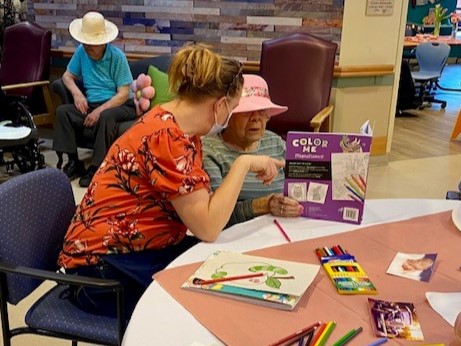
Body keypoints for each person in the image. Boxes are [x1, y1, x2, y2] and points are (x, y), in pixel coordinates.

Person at [57, 44, 284, 319]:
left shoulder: (179, 126)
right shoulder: (166, 137)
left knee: (234, 270)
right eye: (233, 108)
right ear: (221, 104)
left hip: (138, 251)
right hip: (101, 272)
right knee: (220, 303)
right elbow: (208, 227)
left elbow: (202, 208)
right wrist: (243, 163)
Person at [202, 74, 303, 228]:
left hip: (284, 229)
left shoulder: (275, 142)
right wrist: (265, 205)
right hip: (235, 238)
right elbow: (215, 217)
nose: (256, 118)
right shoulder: (211, 151)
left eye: (262, 111)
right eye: (247, 111)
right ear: (229, 115)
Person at [52, 11, 137, 187]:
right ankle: (74, 162)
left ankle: (96, 167)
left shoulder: (117, 57)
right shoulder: (82, 52)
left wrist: (99, 110)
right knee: (63, 112)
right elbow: (67, 76)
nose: (88, 47)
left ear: (104, 41)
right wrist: (77, 94)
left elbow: (123, 93)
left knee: (106, 116)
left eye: (93, 44)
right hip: (92, 103)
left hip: (120, 104)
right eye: (85, 42)